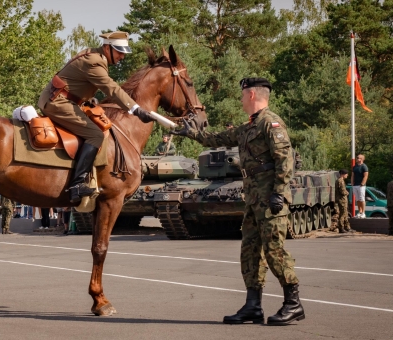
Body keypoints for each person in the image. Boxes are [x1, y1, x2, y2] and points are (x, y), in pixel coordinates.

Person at [172, 77, 304, 325]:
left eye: (243, 95)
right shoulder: (250, 126)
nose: (241, 99)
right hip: (254, 199)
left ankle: (293, 303)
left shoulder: (270, 123)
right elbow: (218, 138)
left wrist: (278, 192)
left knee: (274, 251)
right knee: (250, 252)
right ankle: (253, 306)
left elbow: (285, 161)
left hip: (269, 198)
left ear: (252, 95)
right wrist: (191, 133)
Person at [37, 31, 154, 203]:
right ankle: (76, 185)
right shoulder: (95, 61)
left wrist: (86, 98)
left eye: (123, 52)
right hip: (58, 102)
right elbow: (111, 88)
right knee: (95, 135)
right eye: (119, 51)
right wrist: (135, 109)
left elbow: (77, 81)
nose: (122, 56)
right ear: (107, 48)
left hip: (65, 99)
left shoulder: (93, 54)